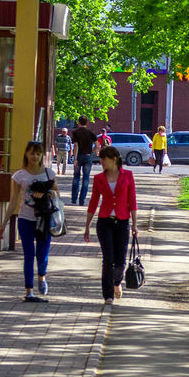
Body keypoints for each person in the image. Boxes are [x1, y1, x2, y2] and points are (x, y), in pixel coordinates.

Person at [0, 141, 60, 302]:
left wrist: (48, 194)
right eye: (32, 153)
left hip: (44, 220)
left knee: (42, 254)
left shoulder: (49, 174)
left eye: (38, 153)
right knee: (28, 255)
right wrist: (4, 223)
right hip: (25, 219)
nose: (35, 156)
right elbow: (13, 201)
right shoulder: (20, 176)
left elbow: (57, 195)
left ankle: (42, 277)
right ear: (26, 154)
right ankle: (29, 290)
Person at [84, 145, 138, 305]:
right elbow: (93, 202)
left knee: (120, 260)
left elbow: (132, 201)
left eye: (103, 158)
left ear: (114, 159)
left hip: (122, 221)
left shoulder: (127, 175)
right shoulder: (99, 178)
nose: (101, 161)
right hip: (104, 221)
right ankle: (108, 295)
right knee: (108, 259)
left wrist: (135, 224)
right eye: (100, 158)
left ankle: (116, 282)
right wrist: (87, 225)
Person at [70, 117, 98, 205]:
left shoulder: (75, 132)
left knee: (76, 177)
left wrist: (75, 159)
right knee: (86, 178)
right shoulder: (91, 133)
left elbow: (76, 145)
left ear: (79, 122)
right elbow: (97, 145)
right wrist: (91, 151)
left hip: (78, 156)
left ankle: (74, 199)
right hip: (88, 156)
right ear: (87, 122)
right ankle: (82, 200)